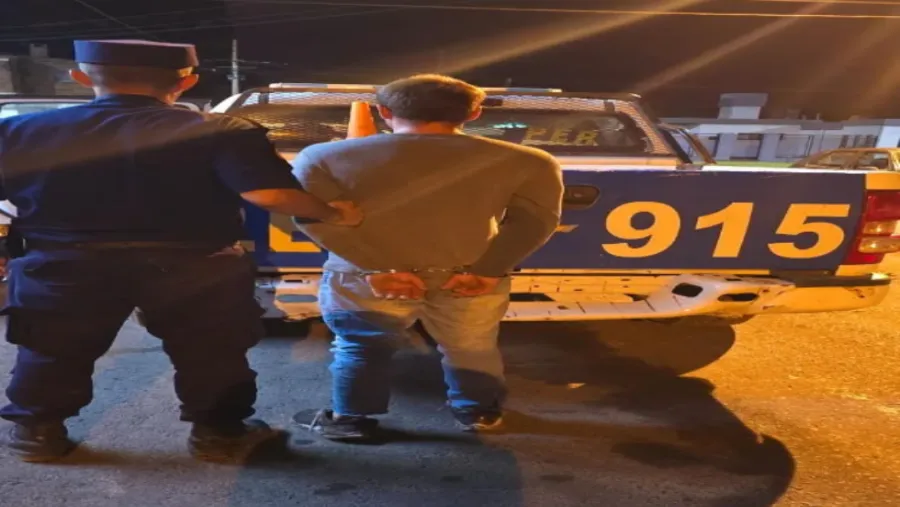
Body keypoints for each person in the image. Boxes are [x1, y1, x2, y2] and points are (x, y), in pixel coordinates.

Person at [0, 39, 363, 464]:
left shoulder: (20, 131)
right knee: (211, 353)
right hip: (195, 266)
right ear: (187, 82)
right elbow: (269, 194)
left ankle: (37, 435)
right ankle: (219, 436)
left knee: (52, 348)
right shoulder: (224, 130)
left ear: (80, 77)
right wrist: (333, 214)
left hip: (64, 263)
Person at [290, 74, 564, 441]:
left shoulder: (322, 157)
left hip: (367, 278)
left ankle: (350, 419)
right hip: (466, 274)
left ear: (384, 112)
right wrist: (488, 270)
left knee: (361, 346)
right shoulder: (529, 161)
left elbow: (311, 217)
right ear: (474, 113)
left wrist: (376, 268)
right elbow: (534, 222)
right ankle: (479, 413)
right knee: (471, 347)